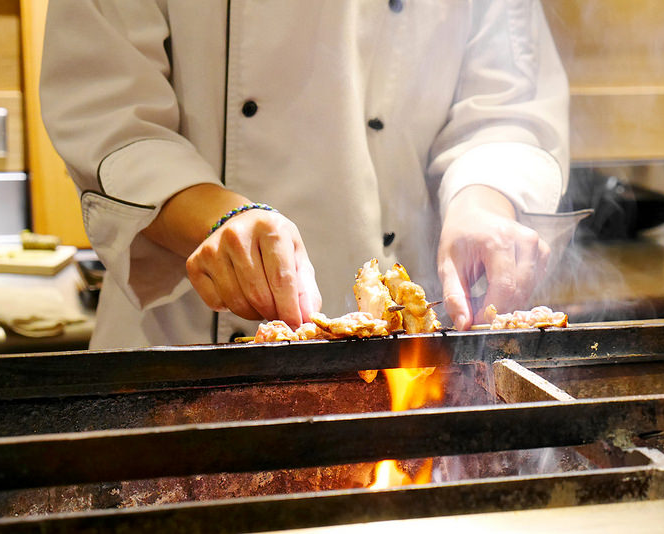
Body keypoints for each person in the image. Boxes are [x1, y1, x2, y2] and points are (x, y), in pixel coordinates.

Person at [40, 0, 569, 349]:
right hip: (188, 342)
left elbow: (508, 106)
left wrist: (483, 203)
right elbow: (111, 118)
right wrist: (220, 218)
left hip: (408, 355)